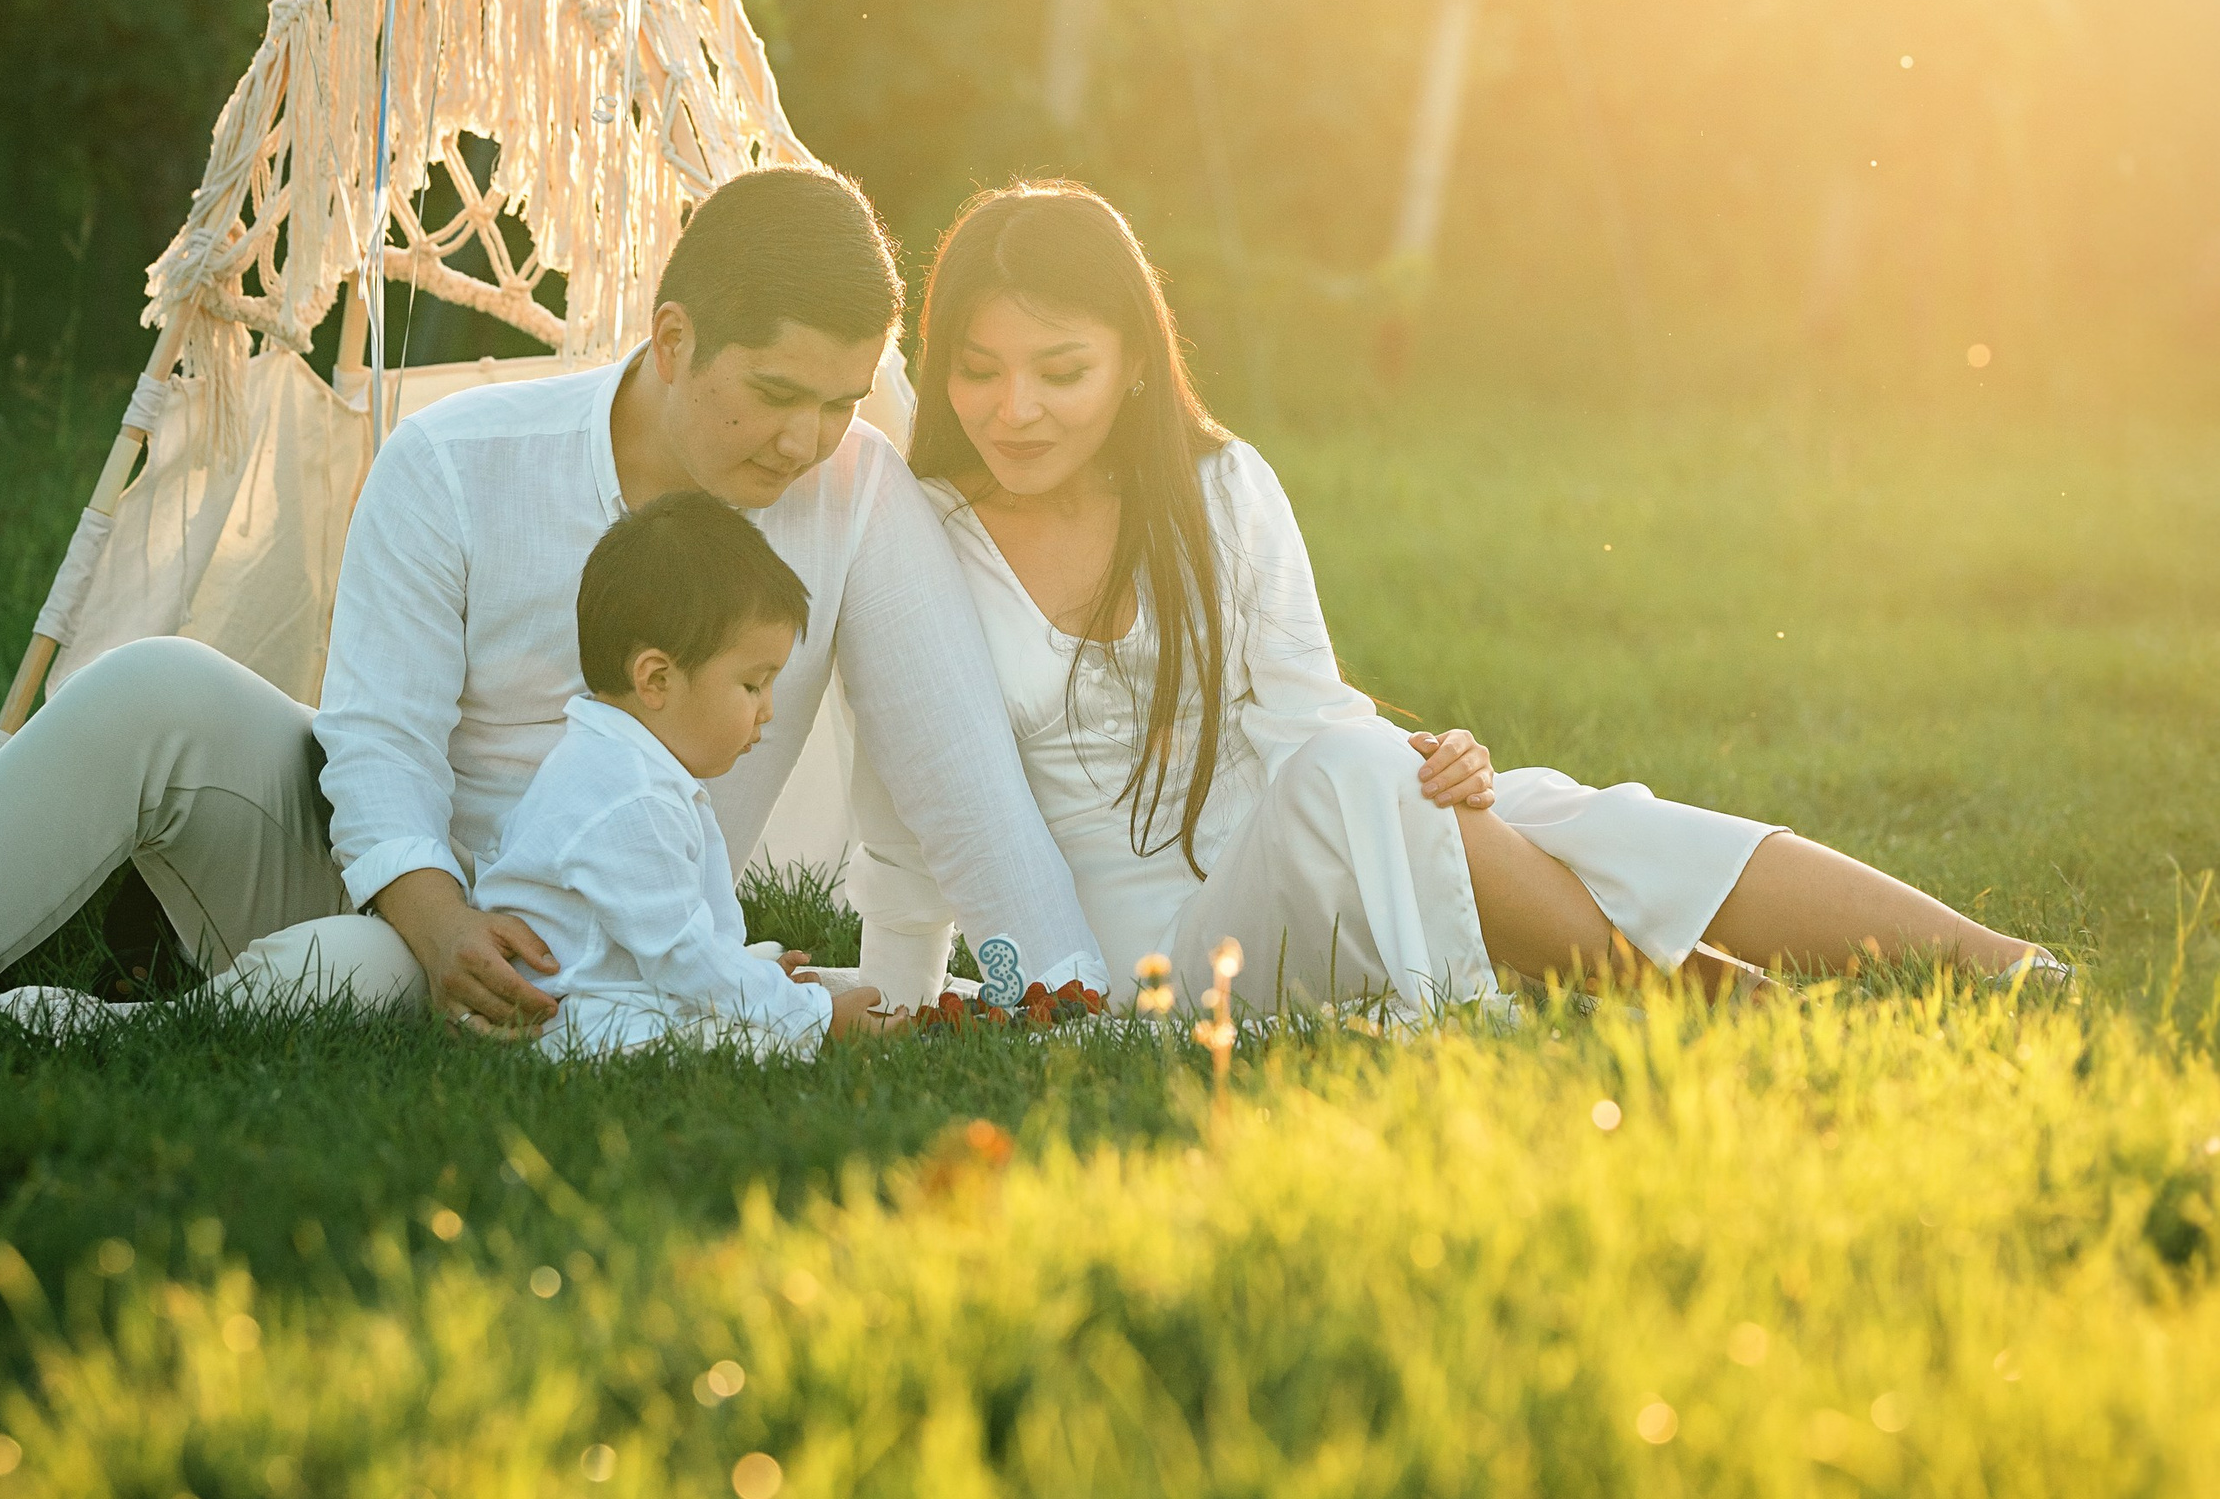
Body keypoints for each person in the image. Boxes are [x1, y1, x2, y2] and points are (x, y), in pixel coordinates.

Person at [0, 166, 1105, 1030]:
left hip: (582, 946)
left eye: (840, 401)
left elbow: (959, 781)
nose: (808, 440)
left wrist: (1060, 1001)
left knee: (361, 985)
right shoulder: (464, 461)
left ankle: (67, 1031)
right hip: (377, 871)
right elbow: (375, 745)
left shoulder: (860, 495)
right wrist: (436, 922)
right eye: (775, 396)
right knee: (150, 685)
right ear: (674, 338)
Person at [857, 179, 2063, 1020]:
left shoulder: (1217, 485)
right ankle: (1703, 996)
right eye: (977, 368)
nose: (1011, 407)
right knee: (1356, 779)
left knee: (1560, 808)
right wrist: (932, 988)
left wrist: (1430, 765)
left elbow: (1308, 714)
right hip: (1155, 961)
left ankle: (2003, 964)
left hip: (1299, 850)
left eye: (1056, 370)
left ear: (1130, 363)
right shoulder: (928, 542)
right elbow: (912, 809)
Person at [476, 490, 891, 1056]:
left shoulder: (619, 765)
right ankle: (820, 1032)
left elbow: (666, 939)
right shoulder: (631, 795)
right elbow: (681, 956)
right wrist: (809, 1015)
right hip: (571, 1020)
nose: (767, 710)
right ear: (656, 680)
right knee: (739, 1041)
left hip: (608, 991)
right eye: (752, 685)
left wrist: (751, 971)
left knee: (735, 1004)